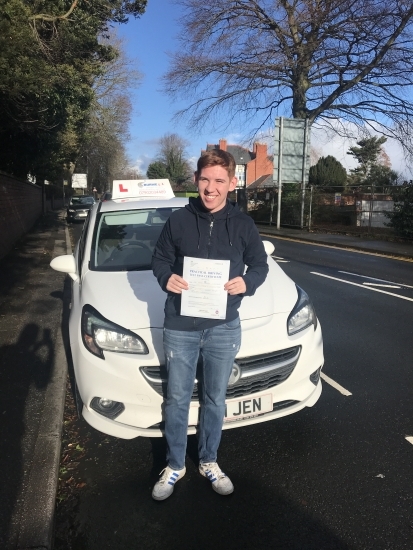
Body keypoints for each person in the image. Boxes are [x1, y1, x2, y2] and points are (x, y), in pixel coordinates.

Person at [151, 149, 269, 501]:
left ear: (232, 184)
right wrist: (166, 278)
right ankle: (174, 464)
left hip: (224, 326)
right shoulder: (178, 221)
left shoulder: (244, 224)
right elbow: (159, 259)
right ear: (196, 179)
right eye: (205, 179)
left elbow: (259, 265)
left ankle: (208, 459)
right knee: (176, 399)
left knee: (215, 399)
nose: (210, 187)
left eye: (219, 181)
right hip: (181, 325)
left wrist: (247, 283)